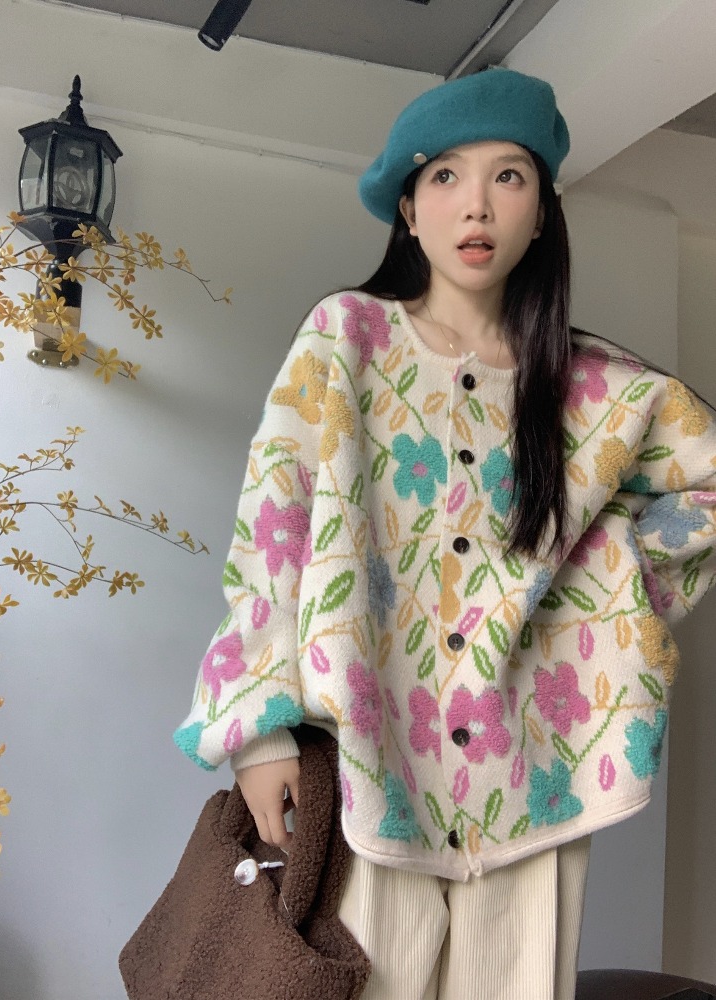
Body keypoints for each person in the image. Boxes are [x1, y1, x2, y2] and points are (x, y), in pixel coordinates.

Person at [174, 68, 716, 999]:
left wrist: (605, 590)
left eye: (510, 176)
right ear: (408, 210)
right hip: (371, 768)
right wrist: (258, 736)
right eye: (445, 177)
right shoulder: (345, 341)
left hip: (534, 782)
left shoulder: (598, 387)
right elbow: (274, 525)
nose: (477, 204)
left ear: (541, 213)